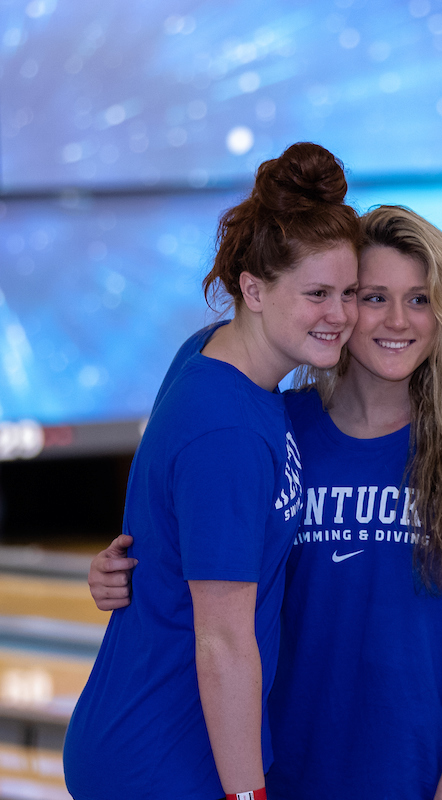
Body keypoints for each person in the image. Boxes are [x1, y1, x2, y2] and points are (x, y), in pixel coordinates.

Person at [89, 205, 442, 799]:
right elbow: (211, 558)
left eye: (419, 299)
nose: (397, 320)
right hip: (284, 776)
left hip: (421, 781)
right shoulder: (280, 431)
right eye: (371, 297)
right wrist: (121, 569)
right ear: (340, 308)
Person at [67, 143, 361, 800]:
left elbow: (164, 522)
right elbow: (223, 643)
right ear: (253, 288)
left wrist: (126, 564)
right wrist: (247, 797)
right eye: (316, 293)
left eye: (346, 292)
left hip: (163, 740)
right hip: (164, 759)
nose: (338, 315)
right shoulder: (226, 430)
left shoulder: (203, 355)